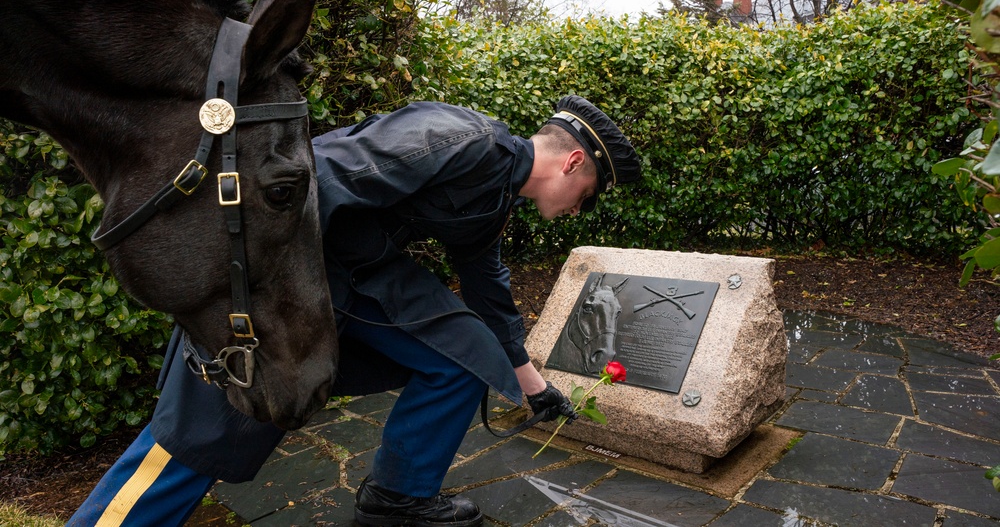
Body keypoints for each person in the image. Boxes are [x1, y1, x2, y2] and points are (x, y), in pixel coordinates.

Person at [68, 95, 642, 527]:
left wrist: (532, 386)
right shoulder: (458, 138)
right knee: (206, 434)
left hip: (357, 281)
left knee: (465, 355)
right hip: (284, 282)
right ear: (572, 164)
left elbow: (487, 292)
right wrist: (258, 304)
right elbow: (313, 178)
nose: (576, 210)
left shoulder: (494, 195)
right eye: (587, 197)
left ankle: (398, 497)